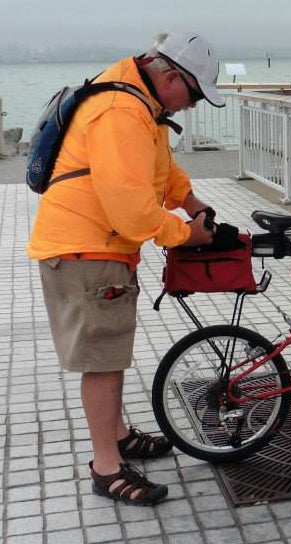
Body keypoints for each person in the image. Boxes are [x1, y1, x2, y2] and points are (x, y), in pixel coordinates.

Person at [27, 32, 225, 506]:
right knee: (103, 362)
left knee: (109, 351)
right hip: (86, 250)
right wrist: (186, 233)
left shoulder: (140, 100)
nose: (192, 106)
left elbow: (161, 168)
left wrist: (191, 201)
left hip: (98, 248)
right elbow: (132, 213)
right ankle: (106, 467)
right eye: (193, 94)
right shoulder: (121, 112)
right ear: (171, 75)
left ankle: (116, 435)